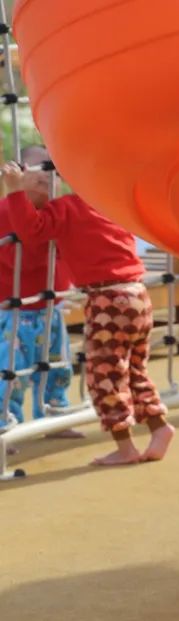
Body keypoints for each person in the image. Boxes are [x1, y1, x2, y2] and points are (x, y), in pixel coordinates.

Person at [0, 155, 175, 466]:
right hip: (137, 294)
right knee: (134, 369)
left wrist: (14, 191)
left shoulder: (67, 207)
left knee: (102, 374)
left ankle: (125, 447)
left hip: (107, 300)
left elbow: (32, 231)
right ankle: (159, 426)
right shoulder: (110, 205)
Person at [0, 146, 80, 434]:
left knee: (58, 367)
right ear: (19, 172)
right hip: (14, 310)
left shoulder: (57, 210)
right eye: (39, 168)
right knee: (12, 373)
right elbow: (19, 259)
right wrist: (45, 241)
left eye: (53, 169)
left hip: (50, 306)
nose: (47, 174)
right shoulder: (6, 211)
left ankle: (55, 415)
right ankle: (6, 423)